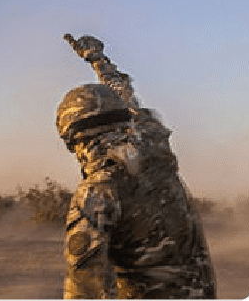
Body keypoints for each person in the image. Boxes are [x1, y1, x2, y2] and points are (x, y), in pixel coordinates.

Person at [57, 34, 216, 299]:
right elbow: (123, 96)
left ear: (76, 138)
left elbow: (86, 288)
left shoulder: (98, 192)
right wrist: (98, 60)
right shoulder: (153, 140)